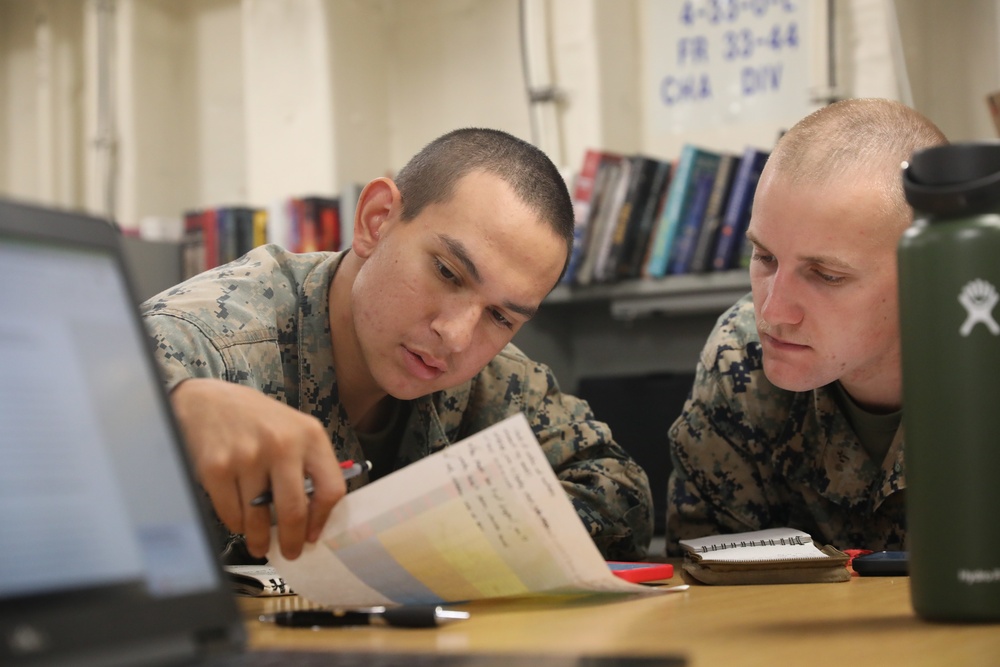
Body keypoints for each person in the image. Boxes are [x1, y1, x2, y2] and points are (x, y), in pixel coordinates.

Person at [141, 127, 653, 564]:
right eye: (447, 272)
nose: (456, 336)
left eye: (499, 317)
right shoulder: (214, 342)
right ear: (376, 219)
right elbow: (85, 397)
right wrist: (177, 405)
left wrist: (448, 540)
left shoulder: (491, 379)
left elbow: (619, 495)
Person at [665, 98, 948, 556]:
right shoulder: (742, 359)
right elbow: (707, 579)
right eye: (764, 257)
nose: (773, 313)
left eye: (827, 276)